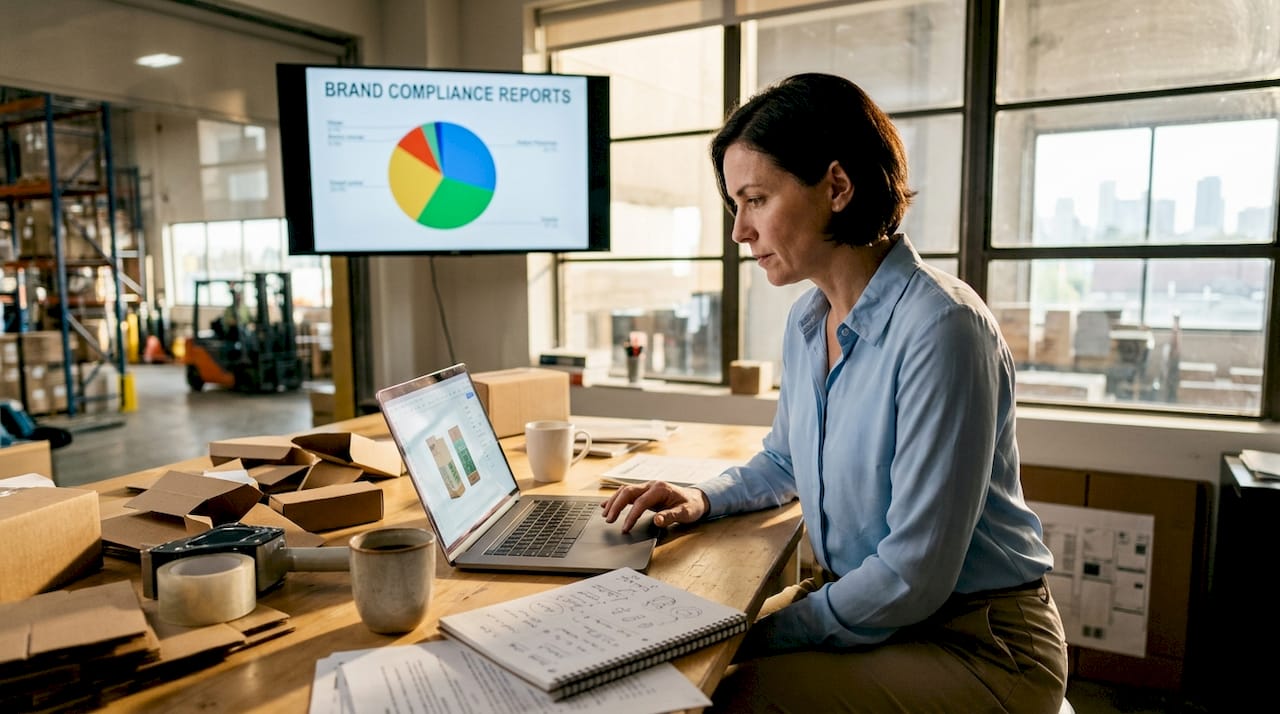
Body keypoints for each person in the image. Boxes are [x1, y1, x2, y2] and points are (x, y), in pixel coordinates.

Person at [601, 73, 1067, 713]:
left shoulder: (943, 329)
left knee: (714, 695)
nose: (740, 231)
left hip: (976, 643)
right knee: (658, 659)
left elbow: (912, 574)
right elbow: (786, 460)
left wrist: (754, 634)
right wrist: (702, 497)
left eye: (756, 199)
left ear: (838, 187)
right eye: (736, 204)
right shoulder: (807, 321)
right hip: (886, 610)